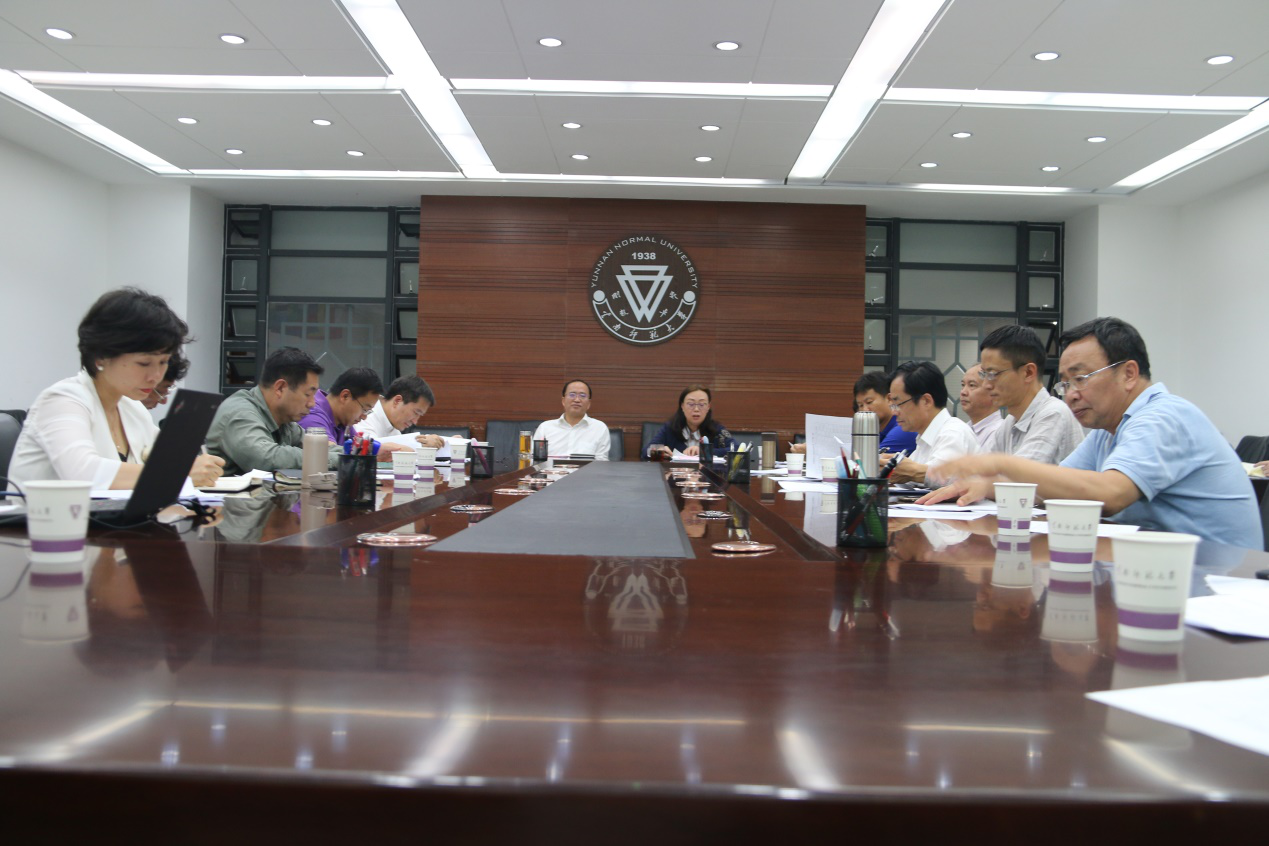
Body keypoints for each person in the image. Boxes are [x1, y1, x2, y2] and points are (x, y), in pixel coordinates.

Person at [923, 317, 1260, 548]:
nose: (1070, 394)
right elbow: (1054, 488)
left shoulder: (1163, 416)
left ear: (1129, 373)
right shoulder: (1107, 429)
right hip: (1151, 567)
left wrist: (1001, 464)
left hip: (1217, 580)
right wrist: (983, 486)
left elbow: (1110, 495)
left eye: (1080, 378)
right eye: (1065, 383)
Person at [7, 288, 223, 490]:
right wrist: (179, 473)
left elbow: (166, 462)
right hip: (46, 519)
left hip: (114, 518)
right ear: (101, 356)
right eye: (144, 363)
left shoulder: (132, 408)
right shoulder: (62, 400)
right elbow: (84, 473)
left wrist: (197, 467)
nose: (156, 376)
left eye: (163, 362)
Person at [205, 346, 339, 476]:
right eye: (308, 394)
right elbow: (265, 458)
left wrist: (348, 456)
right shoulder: (239, 412)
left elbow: (318, 447)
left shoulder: (285, 421)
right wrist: (330, 459)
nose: (312, 403)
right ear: (280, 388)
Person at [977, 325, 1084, 463]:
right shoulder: (1010, 422)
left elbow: (1018, 474)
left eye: (993, 374)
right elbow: (984, 469)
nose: (986, 384)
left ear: (1028, 372)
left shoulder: (1053, 413)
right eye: (984, 374)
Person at [882, 360, 978, 485]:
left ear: (926, 401)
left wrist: (911, 471)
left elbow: (948, 479)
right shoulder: (924, 439)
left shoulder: (953, 432)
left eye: (898, 404)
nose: (894, 412)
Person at [791, 371, 916, 456]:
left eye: (869, 402)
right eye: (860, 405)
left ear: (889, 399)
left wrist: (816, 451)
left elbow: (870, 465)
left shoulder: (902, 428)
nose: (864, 410)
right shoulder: (873, 430)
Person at [297, 367, 382, 448]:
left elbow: (358, 449)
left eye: (368, 411)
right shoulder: (313, 416)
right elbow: (327, 453)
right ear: (345, 396)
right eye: (364, 409)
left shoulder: (344, 420)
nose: (364, 417)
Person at [647, 385, 736, 459]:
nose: (696, 409)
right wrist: (659, 451)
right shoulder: (669, 428)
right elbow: (646, 451)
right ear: (682, 406)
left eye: (702, 404)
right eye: (690, 404)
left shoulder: (717, 429)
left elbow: (737, 450)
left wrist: (704, 452)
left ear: (708, 407)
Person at [356, 375, 445, 449]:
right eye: (416, 413)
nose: (415, 421)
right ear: (397, 401)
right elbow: (369, 448)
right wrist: (420, 444)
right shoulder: (366, 415)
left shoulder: (393, 425)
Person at [533, 379, 610, 460]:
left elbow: (601, 462)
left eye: (582, 396)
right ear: (563, 401)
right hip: (551, 469)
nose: (577, 400)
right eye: (572, 395)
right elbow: (535, 460)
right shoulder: (545, 428)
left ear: (588, 404)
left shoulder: (599, 428)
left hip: (587, 469)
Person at [960, 364, 1003, 447]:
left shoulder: (1001, 433)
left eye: (972, 385)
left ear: (993, 391)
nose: (963, 392)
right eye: (963, 385)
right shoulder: (961, 430)